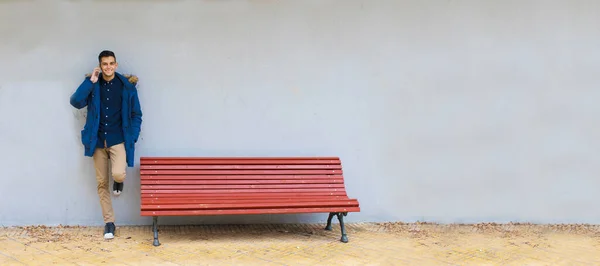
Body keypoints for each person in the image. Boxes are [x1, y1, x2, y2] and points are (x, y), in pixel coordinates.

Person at [70, 50, 142, 239]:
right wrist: (90, 81)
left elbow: (136, 114)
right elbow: (76, 102)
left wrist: (132, 137)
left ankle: (119, 181)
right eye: (104, 64)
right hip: (98, 140)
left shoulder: (127, 87)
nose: (108, 67)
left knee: (118, 173)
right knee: (102, 183)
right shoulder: (94, 85)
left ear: (116, 65)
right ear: (100, 66)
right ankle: (109, 223)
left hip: (118, 139)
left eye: (111, 63)